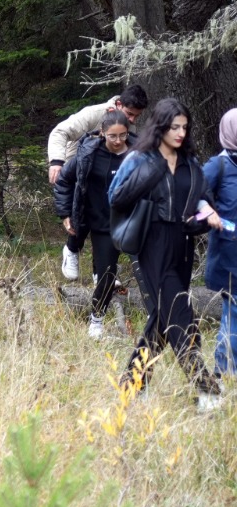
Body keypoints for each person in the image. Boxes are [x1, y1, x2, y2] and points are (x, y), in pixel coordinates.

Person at [109, 97, 222, 407]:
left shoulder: (191, 162)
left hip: (183, 244)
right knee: (180, 314)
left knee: (162, 318)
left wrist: (206, 212)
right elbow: (115, 196)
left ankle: (132, 385)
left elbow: (202, 197)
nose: (181, 133)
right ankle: (206, 389)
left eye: (185, 127)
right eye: (174, 127)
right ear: (160, 126)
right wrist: (155, 167)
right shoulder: (140, 159)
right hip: (152, 243)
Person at [49, 84, 150, 279]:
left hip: (105, 170)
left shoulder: (128, 126)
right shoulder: (94, 113)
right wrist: (56, 161)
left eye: (136, 117)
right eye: (129, 114)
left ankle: (100, 272)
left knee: (105, 217)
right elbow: (59, 132)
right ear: (119, 104)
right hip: (78, 168)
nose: (132, 120)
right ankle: (71, 250)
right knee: (82, 215)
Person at [55, 110, 134, 337]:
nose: (119, 141)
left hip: (132, 223)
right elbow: (64, 181)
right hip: (101, 224)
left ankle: (156, 319)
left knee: (145, 270)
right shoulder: (88, 153)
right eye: (113, 136)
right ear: (102, 134)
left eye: (123, 135)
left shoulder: (137, 154)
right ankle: (96, 321)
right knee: (107, 274)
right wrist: (65, 213)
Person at [203, 108, 237, 377]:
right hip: (230, 254)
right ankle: (224, 373)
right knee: (234, 315)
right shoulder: (219, 165)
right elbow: (195, 197)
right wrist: (214, 216)